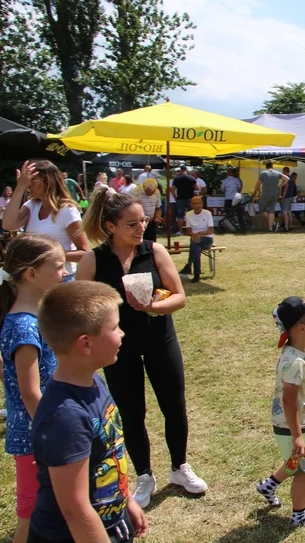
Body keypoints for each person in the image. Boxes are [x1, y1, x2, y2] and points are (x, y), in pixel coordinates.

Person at [78, 187, 207, 508]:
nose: (141, 229)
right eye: (132, 224)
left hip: (159, 339)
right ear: (110, 226)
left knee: (173, 405)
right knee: (132, 414)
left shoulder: (154, 251)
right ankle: (144, 475)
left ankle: (179, 467)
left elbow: (179, 296)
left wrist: (153, 305)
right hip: (118, 348)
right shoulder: (94, 260)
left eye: (143, 221)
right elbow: (80, 307)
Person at [30, 281, 148, 542]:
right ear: (85, 344)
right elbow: (75, 510)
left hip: (108, 522)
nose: (122, 334)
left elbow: (110, 455)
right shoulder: (66, 417)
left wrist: (126, 501)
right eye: (115, 327)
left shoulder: (94, 382)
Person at [0, 234, 65, 542]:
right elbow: (29, 391)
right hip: (34, 439)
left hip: (40, 432)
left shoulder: (33, 317)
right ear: (32, 274)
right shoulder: (24, 326)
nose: (64, 273)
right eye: (59, 267)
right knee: (31, 510)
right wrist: (51, 433)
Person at [256, 296, 305, 527]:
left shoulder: (296, 354)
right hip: (291, 427)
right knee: (302, 470)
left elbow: (295, 398)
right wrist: (297, 435)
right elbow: (287, 401)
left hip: (292, 422)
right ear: (301, 328)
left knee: (296, 462)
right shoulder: (295, 362)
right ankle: (299, 514)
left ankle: (269, 484)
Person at [3, 160, 90, 283]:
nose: (28, 186)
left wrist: (50, 255)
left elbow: (85, 253)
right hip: (36, 281)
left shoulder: (67, 211)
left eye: (32, 181)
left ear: (47, 181)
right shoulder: (32, 205)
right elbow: (8, 224)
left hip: (61, 280)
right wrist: (19, 187)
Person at [179, 197, 214, 283]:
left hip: (207, 239)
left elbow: (211, 230)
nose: (196, 206)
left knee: (195, 243)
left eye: (198, 203)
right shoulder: (188, 214)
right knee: (196, 246)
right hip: (195, 239)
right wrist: (194, 235)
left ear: (202, 204)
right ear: (191, 205)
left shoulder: (207, 213)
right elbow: (188, 231)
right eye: (194, 204)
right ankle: (195, 273)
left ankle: (190, 266)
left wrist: (199, 234)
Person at [253, 162, 288, 232]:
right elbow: (287, 179)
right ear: (272, 166)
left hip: (266, 194)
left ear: (266, 166)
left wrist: (255, 192)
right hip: (275, 194)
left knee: (261, 209)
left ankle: (274, 223)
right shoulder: (277, 173)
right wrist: (280, 186)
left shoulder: (263, 173)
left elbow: (258, 184)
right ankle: (270, 228)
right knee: (272, 211)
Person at [170, 166, 199, 235]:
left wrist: (175, 196)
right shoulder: (191, 178)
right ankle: (193, 230)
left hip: (180, 198)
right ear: (186, 170)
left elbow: (172, 189)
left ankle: (181, 231)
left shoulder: (177, 179)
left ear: (180, 170)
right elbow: (197, 188)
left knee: (180, 215)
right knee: (192, 214)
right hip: (190, 198)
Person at [221, 168, 245, 233]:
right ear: (233, 173)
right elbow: (239, 189)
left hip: (228, 199)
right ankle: (242, 229)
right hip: (236, 198)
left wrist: (227, 191)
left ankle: (231, 228)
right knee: (239, 214)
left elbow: (222, 190)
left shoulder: (224, 181)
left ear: (228, 173)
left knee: (228, 214)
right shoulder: (237, 180)